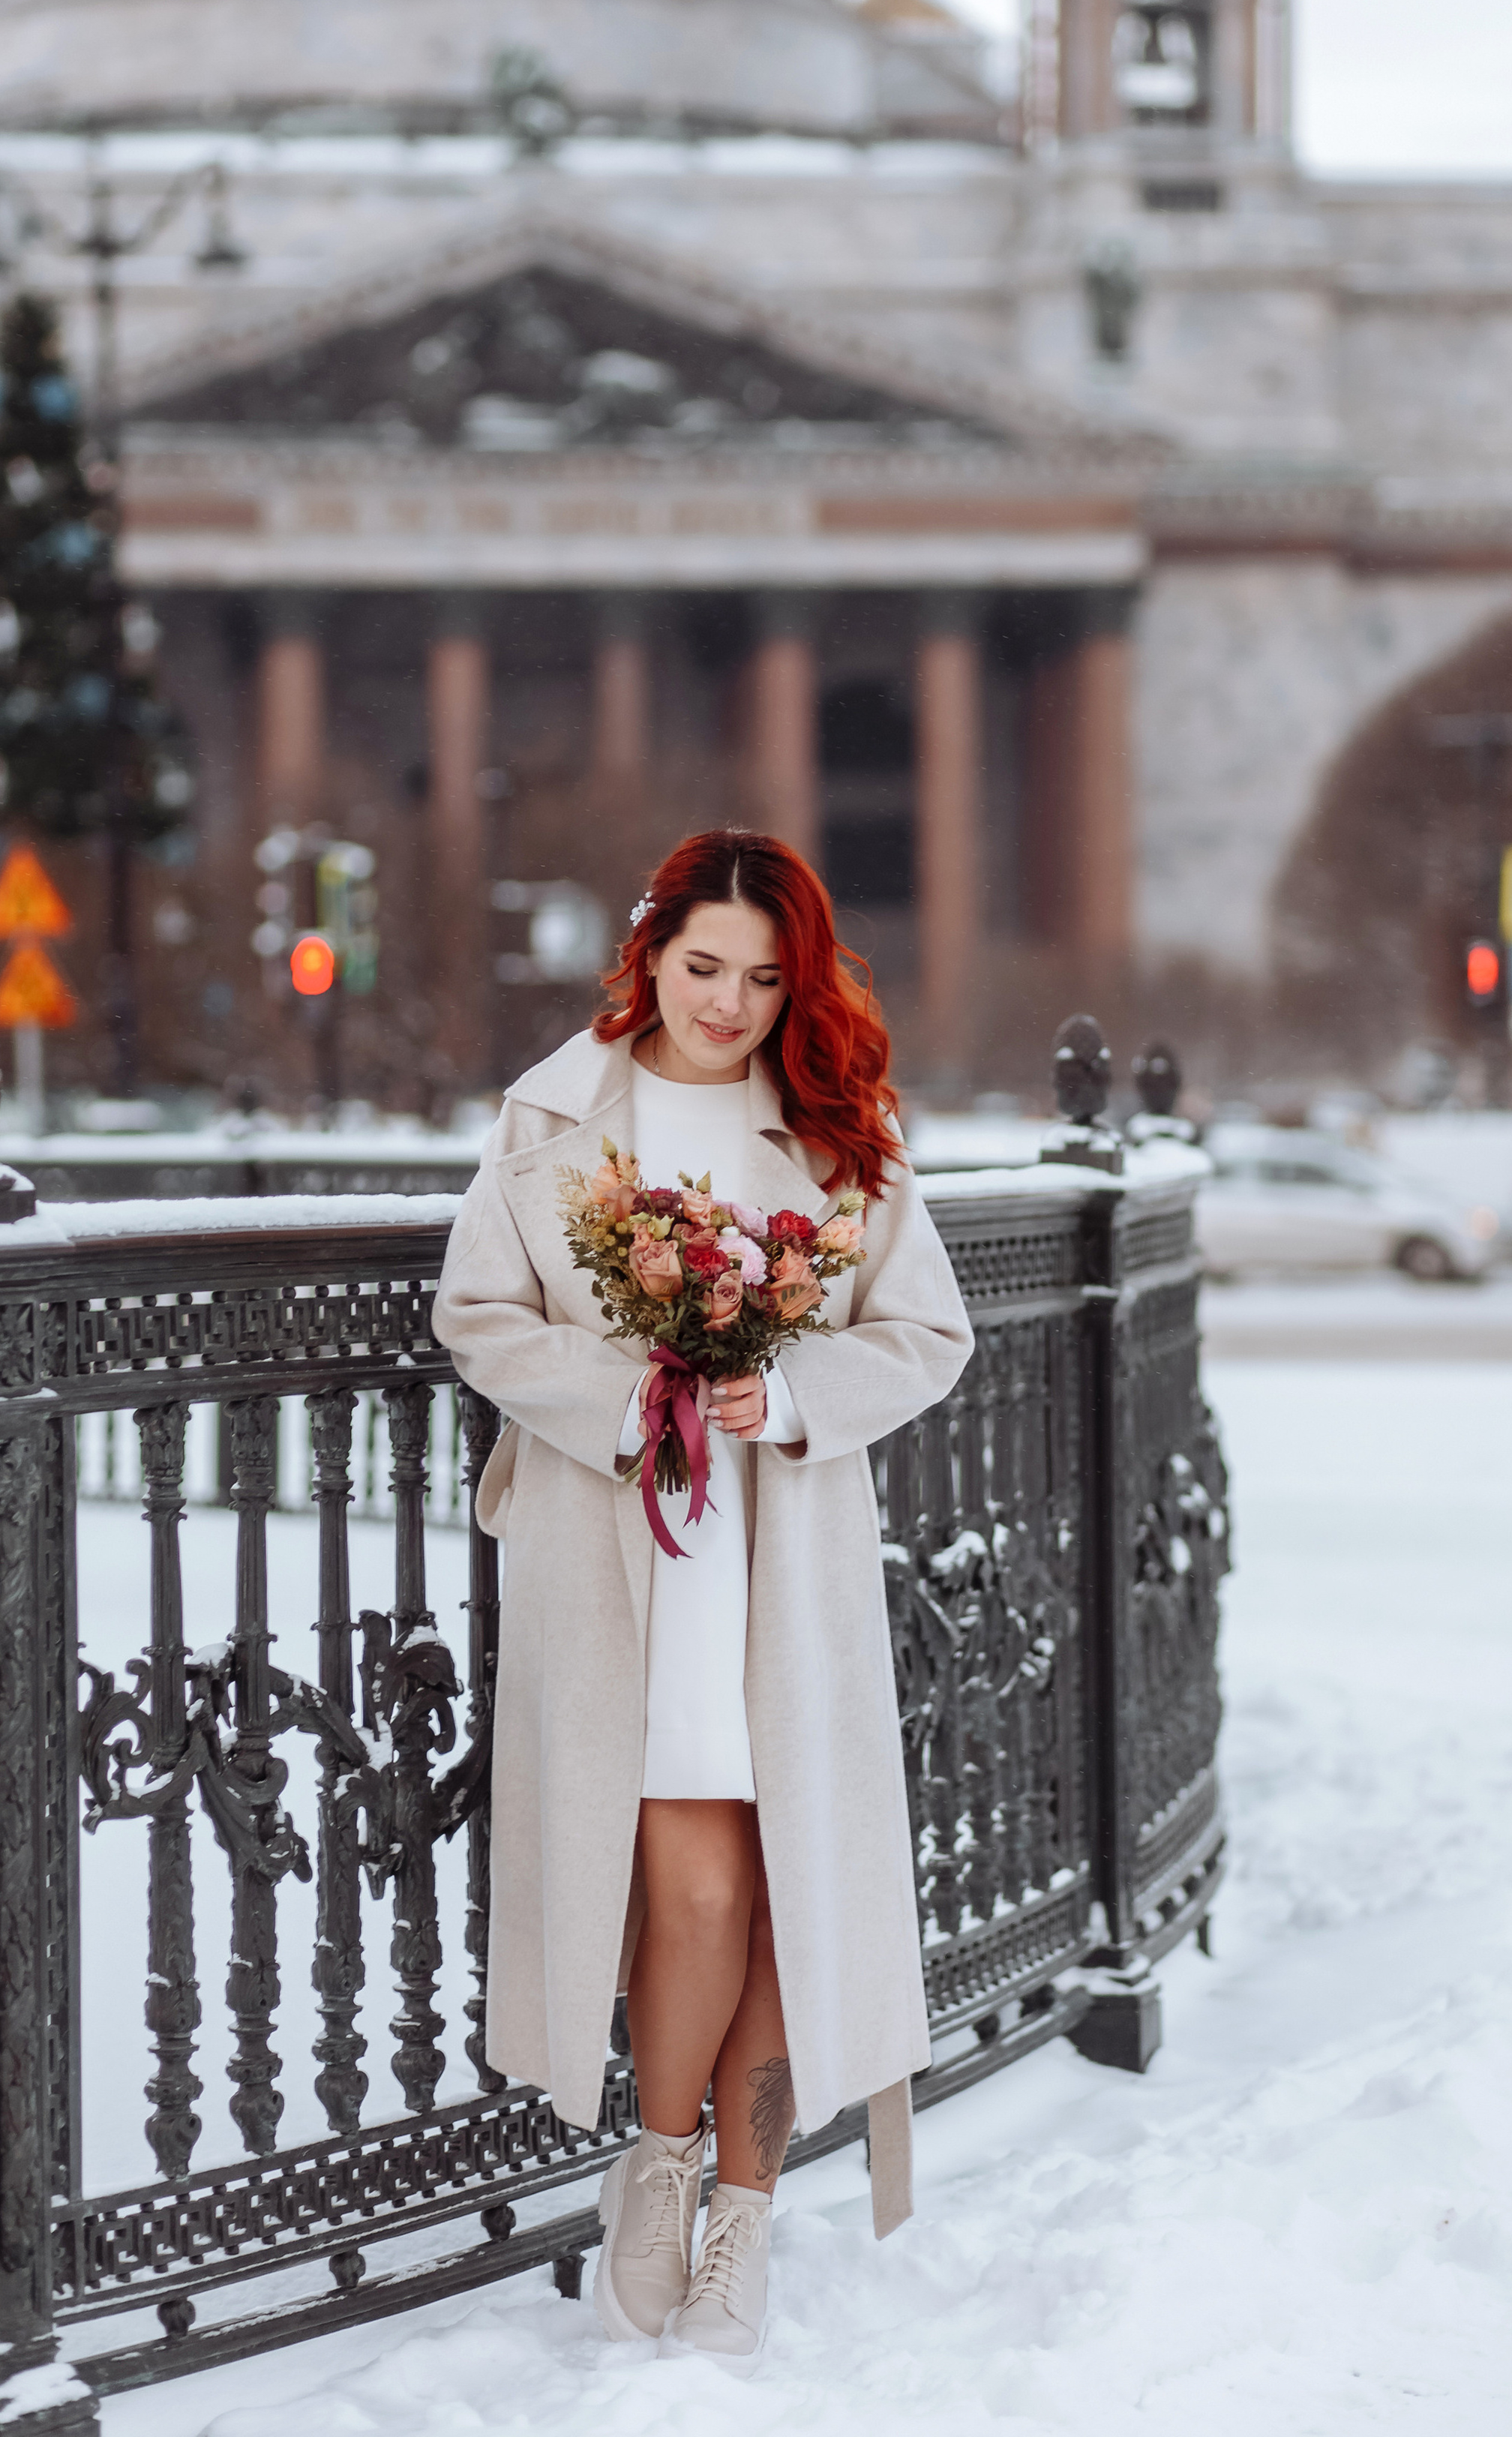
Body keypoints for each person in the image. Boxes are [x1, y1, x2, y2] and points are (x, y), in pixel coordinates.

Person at [432, 828, 973, 2367]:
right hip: (621, 1561)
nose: (727, 1002)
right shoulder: (549, 1122)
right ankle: (657, 2161)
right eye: (701, 966)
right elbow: (476, 1311)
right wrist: (626, 1394)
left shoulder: (832, 1137)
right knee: (698, 1893)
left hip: (776, 1553)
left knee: (789, 1897)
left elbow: (924, 1336)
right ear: (647, 955)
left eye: (761, 975)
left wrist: (785, 1390)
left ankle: (741, 2213)